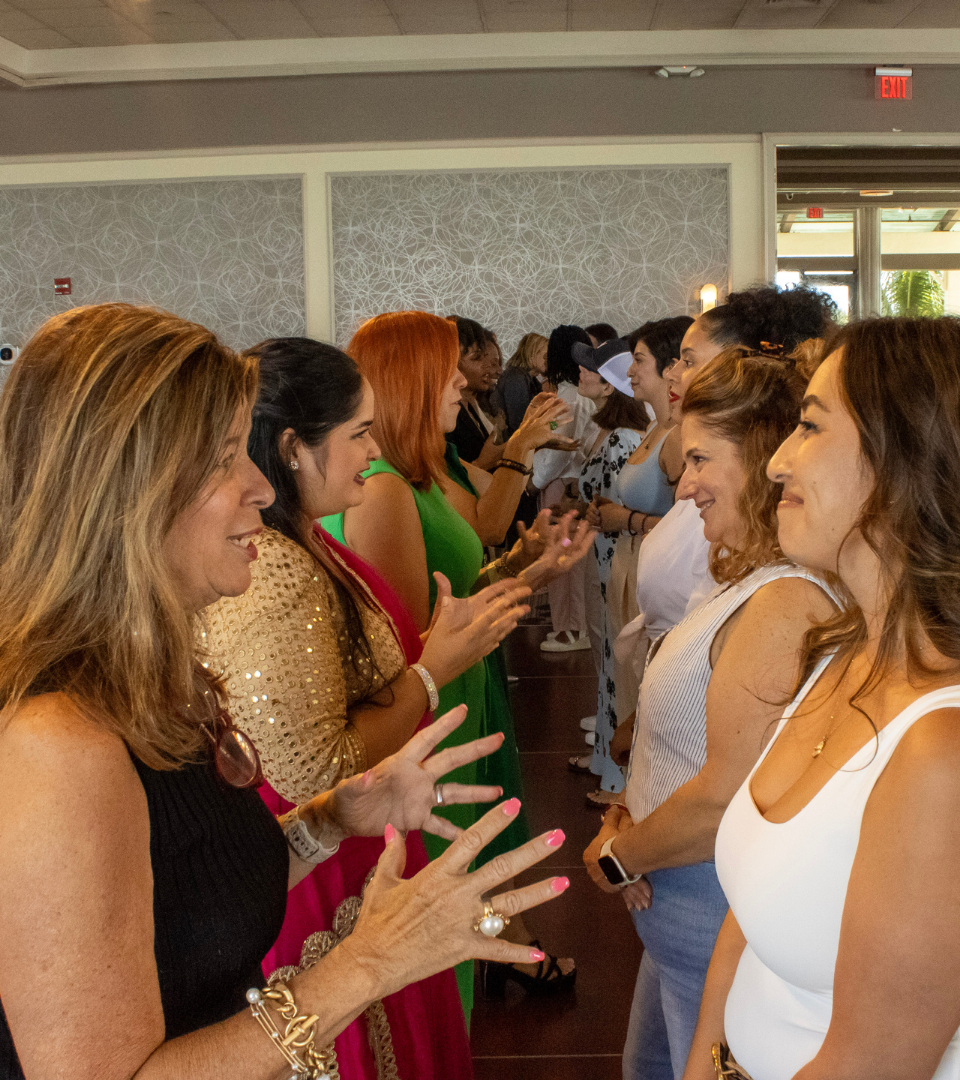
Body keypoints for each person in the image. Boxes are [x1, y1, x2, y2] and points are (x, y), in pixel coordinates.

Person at [0, 302, 570, 1080]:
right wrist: (369, 963)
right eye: (221, 460)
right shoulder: (56, 744)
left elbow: (190, 893)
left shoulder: (146, 676)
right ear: (125, 492)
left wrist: (330, 821)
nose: (259, 487)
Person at [204, 337, 534, 1077]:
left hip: (353, 825)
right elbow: (310, 768)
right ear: (294, 449)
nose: (372, 450)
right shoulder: (276, 570)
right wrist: (433, 672)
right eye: (357, 434)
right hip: (321, 853)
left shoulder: (301, 540)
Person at [683, 317, 960, 1080]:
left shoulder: (940, 751)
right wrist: (705, 1060)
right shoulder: (842, 654)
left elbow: (872, 1063)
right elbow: (749, 912)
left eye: (808, 426)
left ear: (905, 454)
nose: (777, 463)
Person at [583, 344, 837, 1080]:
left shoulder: (784, 601)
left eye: (700, 460)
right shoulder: (749, 578)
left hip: (709, 906)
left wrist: (620, 855)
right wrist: (624, 814)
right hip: (676, 905)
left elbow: (727, 794)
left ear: (760, 461)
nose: (685, 482)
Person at [324, 310, 593, 1006]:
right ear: (411, 383)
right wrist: (520, 576)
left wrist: (524, 571)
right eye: (447, 374)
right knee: (443, 866)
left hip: (454, 685)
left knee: (470, 851)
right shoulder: (384, 488)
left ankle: (482, 964)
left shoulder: (413, 475)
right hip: (431, 702)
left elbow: (450, 597)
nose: (462, 385)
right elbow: (412, 642)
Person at [608, 287, 840, 769]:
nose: (673, 372)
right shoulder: (737, 543)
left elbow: (731, 776)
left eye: (689, 360)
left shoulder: (784, 588)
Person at [574, 316, 692, 777]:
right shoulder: (655, 429)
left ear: (668, 367)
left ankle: (636, 784)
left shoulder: (677, 436)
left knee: (645, 681)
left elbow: (690, 526)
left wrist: (626, 520)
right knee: (624, 677)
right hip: (630, 563)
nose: (630, 372)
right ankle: (622, 778)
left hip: (648, 562)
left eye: (639, 361)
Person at [573, 338, 650, 808]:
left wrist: (599, 512)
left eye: (592, 371)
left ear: (610, 386)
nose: (580, 376)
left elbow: (619, 500)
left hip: (616, 550)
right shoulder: (611, 433)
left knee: (617, 658)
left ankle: (616, 773)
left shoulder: (624, 437)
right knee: (608, 657)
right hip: (606, 548)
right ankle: (606, 760)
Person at [534, 324, 598, 656]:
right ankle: (574, 624)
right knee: (573, 558)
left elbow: (556, 450)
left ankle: (570, 629)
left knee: (563, 557)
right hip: (577, 482)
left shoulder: (568, 398)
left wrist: (534, 480)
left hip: (562, 483)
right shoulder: (582, 394)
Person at [493, 332, 548, 439]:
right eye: (546, 355)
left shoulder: (531, 381)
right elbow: (520, 423)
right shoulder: (516, 379)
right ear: (532, 353)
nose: (549, 360)